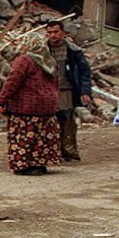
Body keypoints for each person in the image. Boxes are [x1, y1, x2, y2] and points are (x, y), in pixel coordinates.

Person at [0, 35, 61, 175]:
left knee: (25, 136)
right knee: (43, 137)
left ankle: (24, 165)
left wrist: (2, 101)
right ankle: (40, 164)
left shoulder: (25, 60)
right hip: (49, 105)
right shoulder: (49, 61)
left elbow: (12, 82)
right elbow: (56, 83)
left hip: (28, 105)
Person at [44, 21, 93, 161]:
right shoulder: (43, 50)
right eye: (50, 32)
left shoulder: (73, 51)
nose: (52, 35)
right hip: (47, 90)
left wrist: (85, 92)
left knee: (66, 120)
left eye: (56, 32)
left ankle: (67, 150)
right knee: (48, 121)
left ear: (63, 33)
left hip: (66, 90)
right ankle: (50, 151)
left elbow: (84, 72)